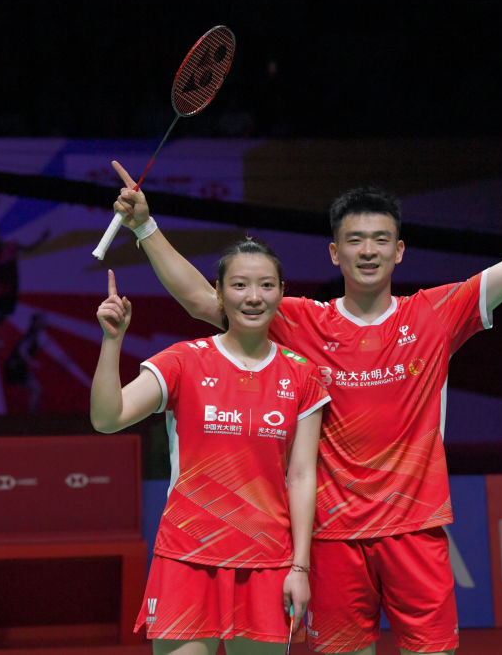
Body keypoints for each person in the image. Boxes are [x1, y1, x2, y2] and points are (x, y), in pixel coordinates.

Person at [109, 119, 502, 654]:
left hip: (415, 529)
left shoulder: (434, 314)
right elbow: (204, 300)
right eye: (355, 241)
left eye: (381, 240)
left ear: (399, 251)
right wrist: (145, 227)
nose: (368, 251)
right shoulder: (301, 320)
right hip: (332, 539)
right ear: (334, 253)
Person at [90, 239, 329, 654]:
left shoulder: (302, 375)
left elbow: (302, 475)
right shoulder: (183, 361)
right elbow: (108, 418)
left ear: (281, 291)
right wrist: (112, 341)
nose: (253, 297)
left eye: (266, 285)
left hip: (267, 561)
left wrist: (300, 567)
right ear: (218, 292)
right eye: (239, 285)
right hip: (187, 555)